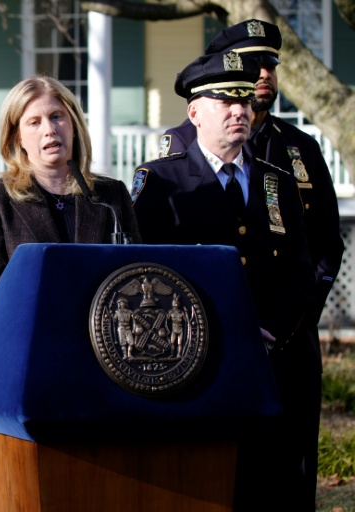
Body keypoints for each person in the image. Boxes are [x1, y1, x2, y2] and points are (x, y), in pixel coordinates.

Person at [157, 19, 343, 509]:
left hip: (286, 340)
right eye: (249, 66)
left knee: (288, 473)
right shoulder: (176, 154)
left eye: (269, 65)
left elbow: (322, 248)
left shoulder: (296, 151)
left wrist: (284, 324)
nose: (261, 75)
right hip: (201, 347)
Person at [0, 75, 141, 314]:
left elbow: (135, 274)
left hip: (102, 332)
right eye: (34, 122)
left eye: (57, 116)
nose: (49, 130)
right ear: (17, 137)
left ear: (74, 125)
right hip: (32, 331)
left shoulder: (111, 195)